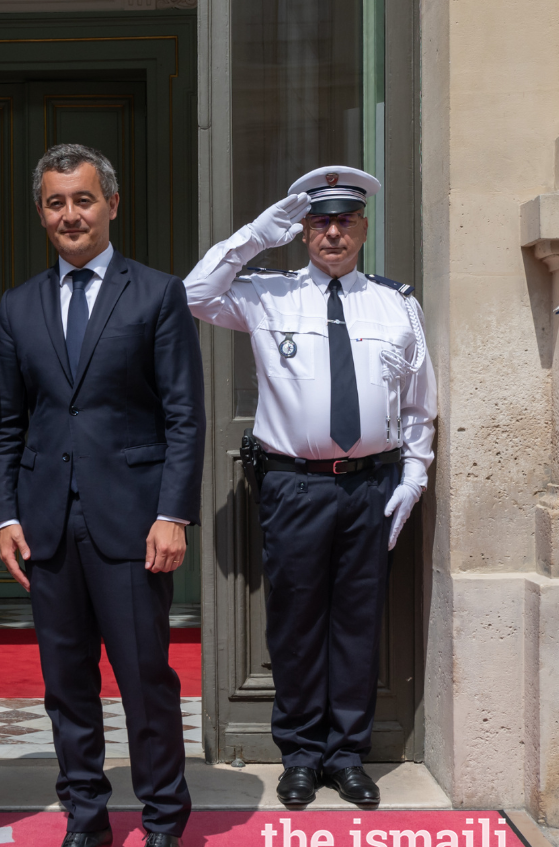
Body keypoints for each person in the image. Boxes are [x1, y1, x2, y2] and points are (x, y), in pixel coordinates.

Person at [0, 144, 206, 847]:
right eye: (55, 202)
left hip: (134, 524)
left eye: (82, 200)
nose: (69, 215)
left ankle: (164, 823)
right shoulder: (17, 306)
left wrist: (173, 512)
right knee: (65, 683)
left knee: (146, 680)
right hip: (48, 527)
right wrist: (4, 515)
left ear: (112, 204)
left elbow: (184, 417)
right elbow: (7, 424)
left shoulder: (156, 295)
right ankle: (85, 818)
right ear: (41, 212)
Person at [182, 166, 436, 808]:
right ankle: (299, 753)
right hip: (293, 486)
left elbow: (417, 403)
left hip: (370, 486)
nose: (332, 232)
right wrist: (253, 237)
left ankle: (347, 755)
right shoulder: (268, 294)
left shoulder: (396, 302)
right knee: (296, 623)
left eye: (344, 221)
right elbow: (193, 294)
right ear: (301, 231)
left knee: (357, 621)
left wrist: (414, 472)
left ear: (363, 229)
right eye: (319, 221)